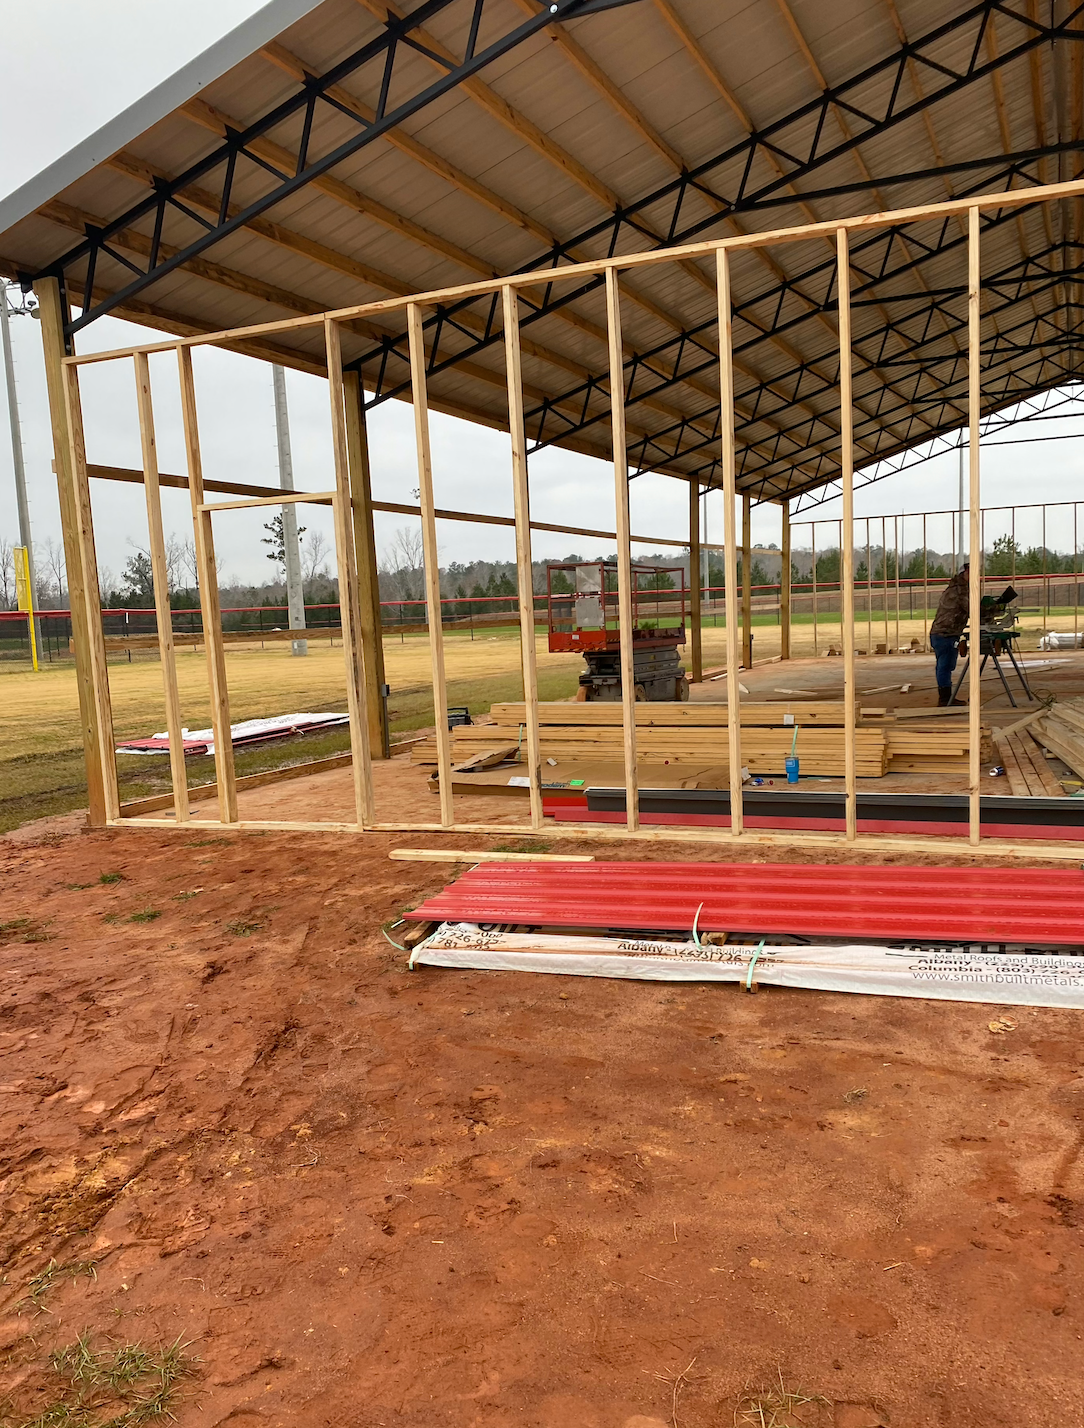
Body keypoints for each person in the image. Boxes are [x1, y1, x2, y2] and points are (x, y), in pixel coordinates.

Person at [929, 561, 969, 706]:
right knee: (945, 666)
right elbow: (970, 607)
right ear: (962, 574)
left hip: (945, 633)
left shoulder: (957, 589)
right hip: (944, 634)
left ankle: (946, 697)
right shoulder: (959, 591)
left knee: (945, 665)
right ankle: (945, 699)